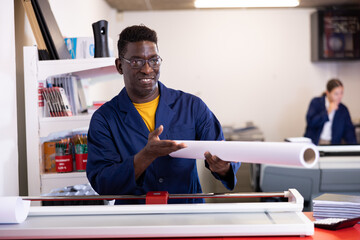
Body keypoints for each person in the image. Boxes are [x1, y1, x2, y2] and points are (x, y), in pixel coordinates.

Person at [86, 25, 241, 204]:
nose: (147, 69)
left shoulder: (191, 106)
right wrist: (145, 156)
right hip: (135, 221)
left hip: (188, 217)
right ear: (120, 66)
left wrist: (224, 167)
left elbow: (222, 150)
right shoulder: (104, 119)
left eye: (154, 60)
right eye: (136, 62)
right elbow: (103, 183)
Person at [304, 79, 357, 145]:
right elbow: (311, 122)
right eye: (336, 94)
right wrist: (327, 112)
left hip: (332, 145)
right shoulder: (316, 102)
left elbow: (349, 132)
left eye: (341, 93)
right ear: (328, 93)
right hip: (315, 143)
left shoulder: (343, 109)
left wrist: (354, 148)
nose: (340, 96)